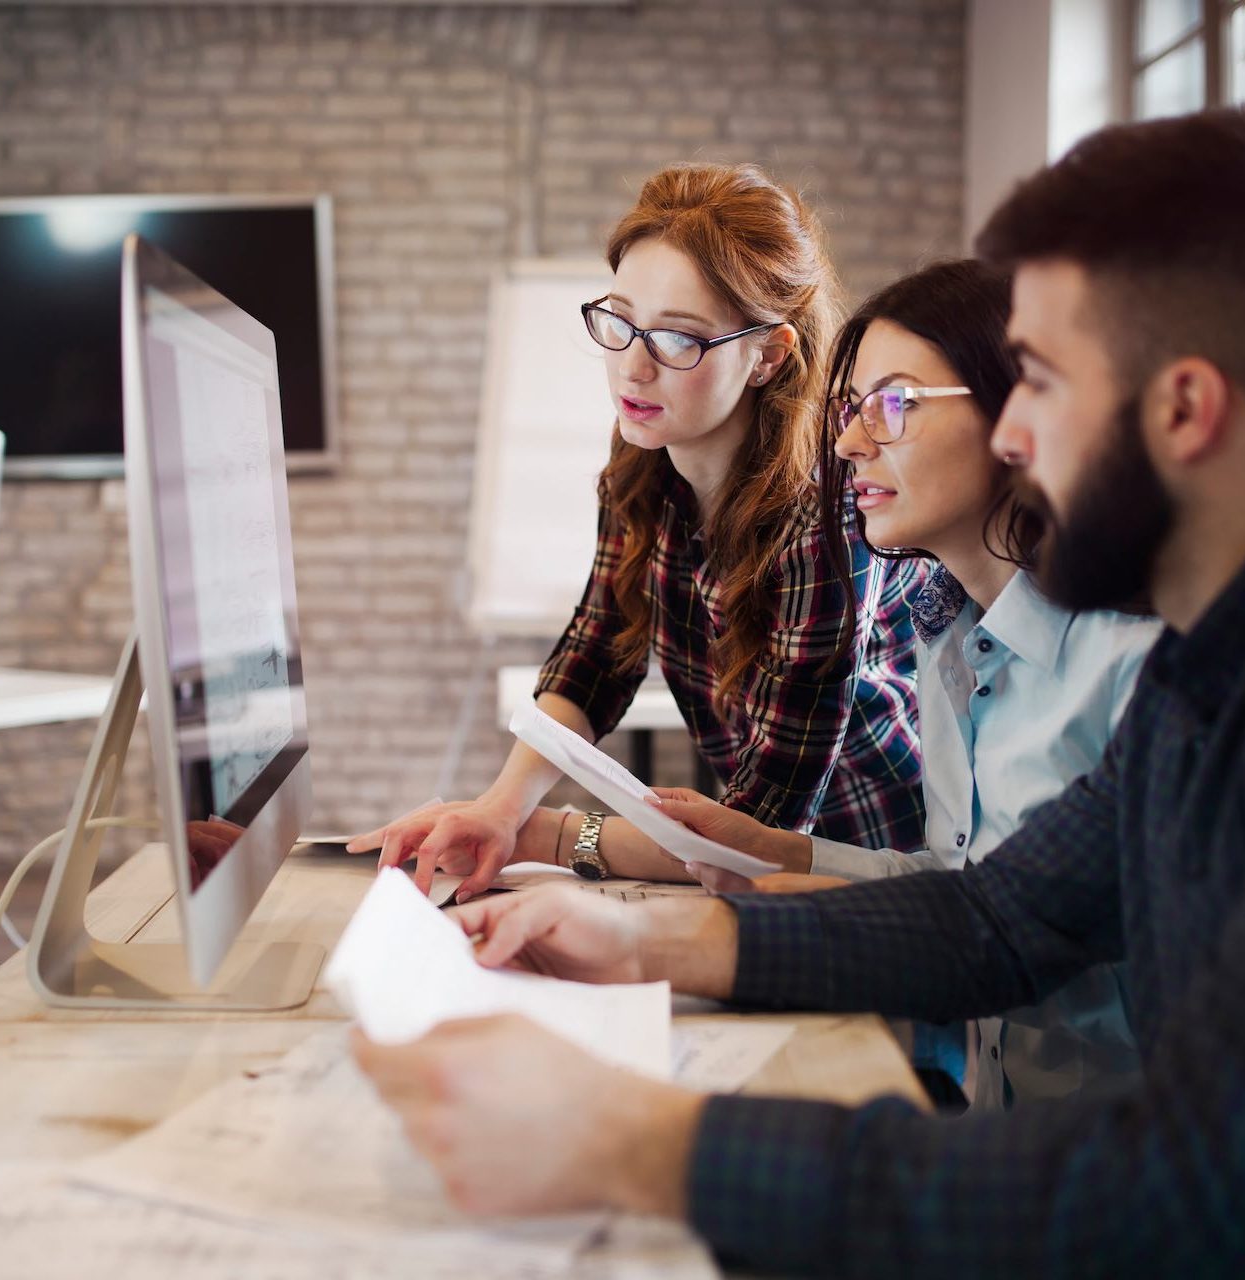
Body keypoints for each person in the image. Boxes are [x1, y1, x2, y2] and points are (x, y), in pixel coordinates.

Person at [351, 91, 1245, 1276]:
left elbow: (1211, 1185)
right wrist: (634, 939)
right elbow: (998, 916)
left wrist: (641, 1139)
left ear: (1184, 408)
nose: (1013, 441)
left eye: (1042, 384)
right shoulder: (1223, 653)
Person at [349, 163, 930, 897]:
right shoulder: (644, 458)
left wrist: (550, 834)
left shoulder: (825, 516)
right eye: (619, 322)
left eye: (677, 340)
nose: (631, 368)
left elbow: (758, 828)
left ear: (769, 355)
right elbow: (597, 653)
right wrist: (500, 807)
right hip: (756, 866)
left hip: (871, 866)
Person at [676, 259, 1159, 1111]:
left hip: (1125, 1173)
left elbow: (999, 928)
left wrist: (693, 938)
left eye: (893, 404)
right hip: (1002, 1137)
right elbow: (956, 883)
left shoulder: (1133, 666)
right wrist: (781, 853)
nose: (851, 443)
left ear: (1019, 413)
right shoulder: (953, 645)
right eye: (850, 410)